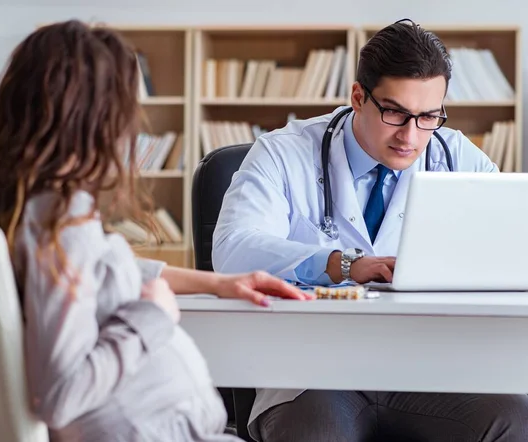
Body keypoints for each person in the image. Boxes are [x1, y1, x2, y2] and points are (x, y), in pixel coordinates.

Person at [0, 20, 313, 442]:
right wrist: (153, 315)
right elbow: (59, 394)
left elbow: (105, 268)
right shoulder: (62, 225)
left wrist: (220, 283)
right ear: (93, 118)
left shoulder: (33, 208)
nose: (133, 127)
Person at [212, 19, 528, 442]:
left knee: (515, 420)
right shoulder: (282, 154)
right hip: (313, 372)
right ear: (358, 97)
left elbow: (511, 250)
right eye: (395, 112)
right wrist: (343, 264)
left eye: (429, 116)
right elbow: (233, 250)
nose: (411, 136)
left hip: (428, 369)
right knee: (320, 433)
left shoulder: (456, 158)